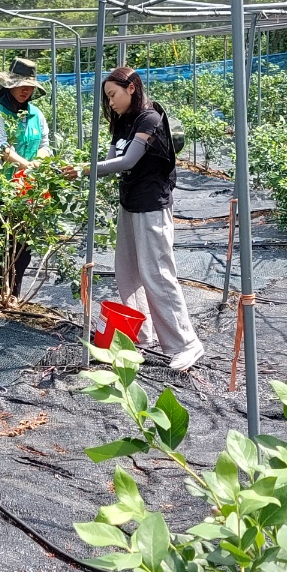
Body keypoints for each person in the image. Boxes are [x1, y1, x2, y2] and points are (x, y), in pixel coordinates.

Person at [63, 66, 204, 372]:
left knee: (157, 274)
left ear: (131, 88)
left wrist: (84, 169)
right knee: (127, 272)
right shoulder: (123, 122)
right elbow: (113, 161)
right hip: (130, 203)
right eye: (106, 97)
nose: (110, 102)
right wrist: (85, 167)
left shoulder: (150, 119)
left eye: (113, 95)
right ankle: (141, 333)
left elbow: (128, 160)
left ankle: (185, 344)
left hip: (152, 205)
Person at [0, 57, 52, 302]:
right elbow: (0, 146)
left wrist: (38, 162)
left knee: (22, 248)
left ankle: (12, 296)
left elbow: (45, 145)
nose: (25, 90)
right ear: (9, 85)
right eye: (21, 85)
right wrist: (25, 164)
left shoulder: (36, 114)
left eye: (30, 86)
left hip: (26, 191)